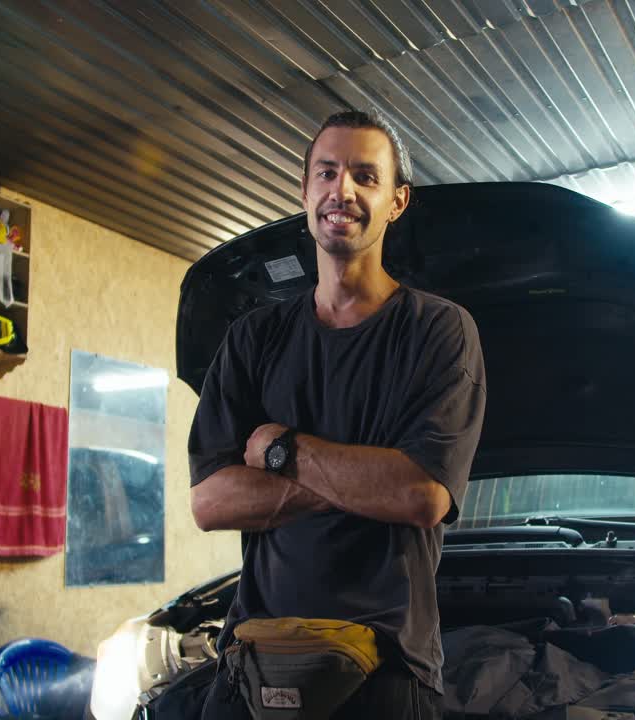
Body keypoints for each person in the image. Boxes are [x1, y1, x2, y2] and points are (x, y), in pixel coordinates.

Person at [187, 110, 487, 719]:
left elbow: (421, 496)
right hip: (257, 657)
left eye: (364, 176)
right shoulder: (253, 338)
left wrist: (282, 452)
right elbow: (209, 503)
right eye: (326, 172)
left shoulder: (439, 331)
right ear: (305, 193)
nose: (341, 190)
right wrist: (367, 481)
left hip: (387, 667)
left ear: (397, 201)